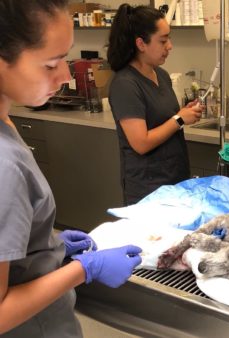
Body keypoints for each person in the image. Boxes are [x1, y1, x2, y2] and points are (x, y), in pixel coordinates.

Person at [0, 1, 142, 336]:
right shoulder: (3, 165)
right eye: (51, 64)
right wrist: (84, 270)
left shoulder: (6, 122)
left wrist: (48, 246)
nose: (66, 76)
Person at [107, 4, 203, 205]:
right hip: (148, 188)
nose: (170, 46)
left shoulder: (162, 75)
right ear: (141, 44)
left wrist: (186, 113)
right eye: (163, 40)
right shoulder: (125, 84)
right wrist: (179, 119)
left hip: (175, 179)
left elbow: (164, 119)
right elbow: (141, 143)